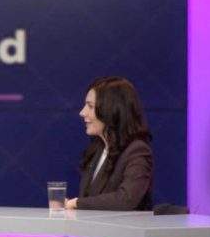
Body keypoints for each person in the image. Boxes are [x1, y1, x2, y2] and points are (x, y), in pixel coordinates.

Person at [65, 76, 153, 211]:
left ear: (111, 110)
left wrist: (77, 203)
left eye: (90, 106)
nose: (82, 112)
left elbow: (126, 199)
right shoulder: (98, 149)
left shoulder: (137, 151)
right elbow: (91, 198)